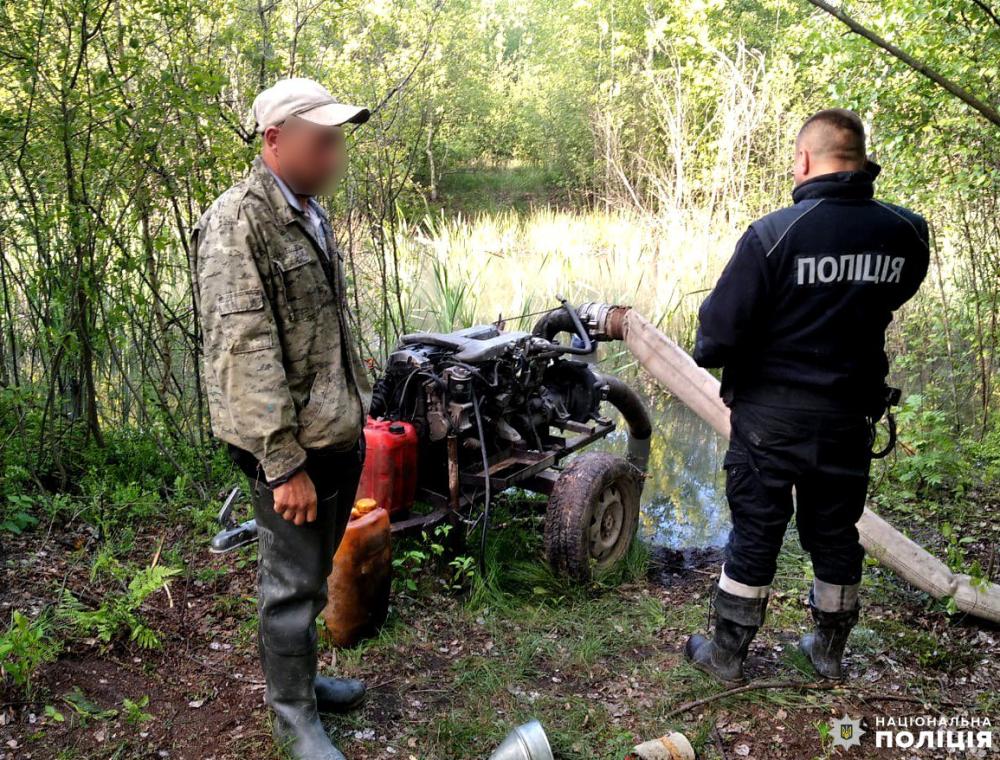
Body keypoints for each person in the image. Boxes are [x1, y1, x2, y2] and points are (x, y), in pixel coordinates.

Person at [686, 108, 929, 684]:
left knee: (756, 532)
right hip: (849, 415)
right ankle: (828, 652)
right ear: (862, 159)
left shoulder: (773, 234)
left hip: (770, 418)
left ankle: (726, 657)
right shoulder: (905, 230)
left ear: (803, 160)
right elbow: (897, 292)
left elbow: (713, 340)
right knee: (835, 531)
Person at [192, 78, 373, 760]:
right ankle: (291, 714)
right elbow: (245, 350)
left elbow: (316, 330)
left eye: (338, 141)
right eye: (322, 141)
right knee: (291, 585)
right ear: (275, 140)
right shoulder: (238, 221)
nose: (335, 155)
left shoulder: (305, 209)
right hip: (287, 449)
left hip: (332, 429)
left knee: (318, 567)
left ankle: (306, 679)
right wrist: (282, 464)